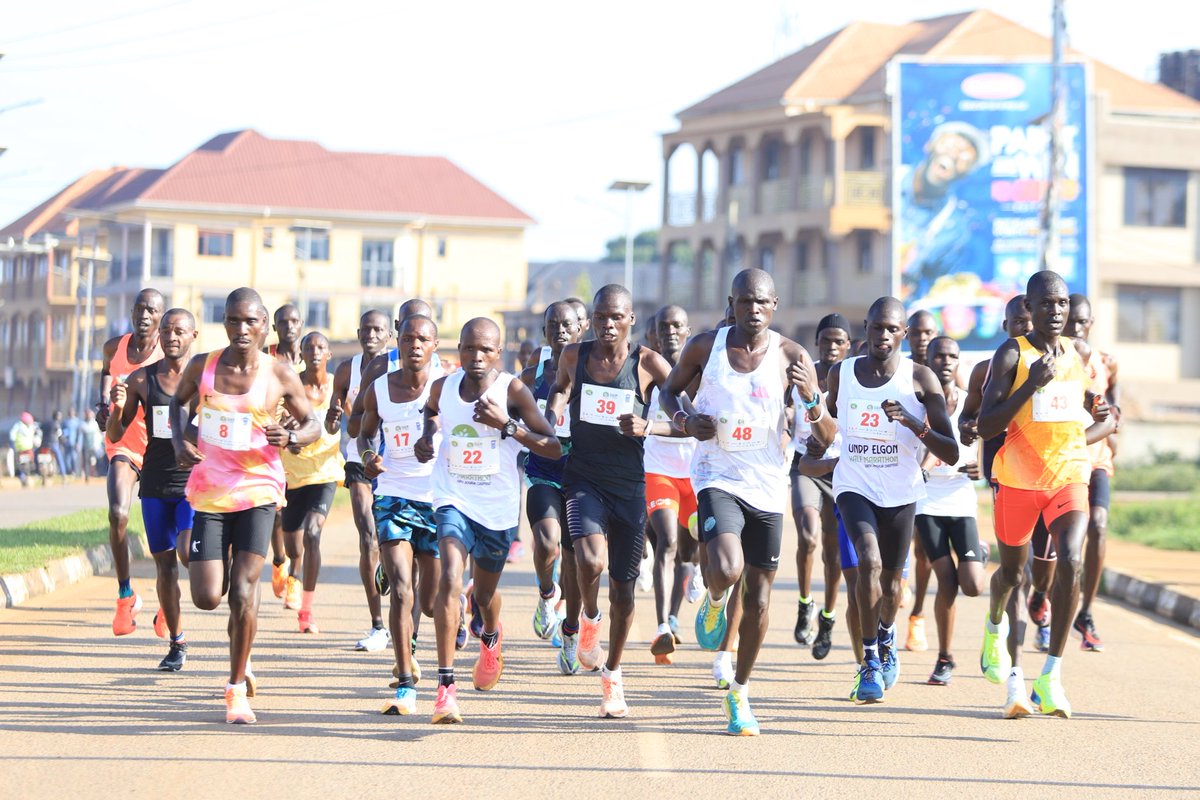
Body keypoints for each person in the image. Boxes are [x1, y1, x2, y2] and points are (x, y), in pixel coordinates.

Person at [661, 269, 833, 735]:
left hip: (769, 486)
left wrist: (810, 396)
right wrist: (684, 418)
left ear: (774, 305)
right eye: (745, 301)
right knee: (730, 567)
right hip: (717, 475)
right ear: (732, 303)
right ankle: (715, 598)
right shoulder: (705, 347)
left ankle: (740, 692)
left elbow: (826, 432)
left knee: (758, 599)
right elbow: (668, 391)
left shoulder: (792, 356)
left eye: (762, 302)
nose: (753, 309)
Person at [171, 288, 321, 724]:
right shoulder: (203, 365)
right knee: (206, 597)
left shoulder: (278, 373)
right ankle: (241, 629)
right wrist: (181, 439)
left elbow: (311, 422)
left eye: (250, 322)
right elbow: (176, 406)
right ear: (224, 322)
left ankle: (236, 687)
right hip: (211, 493)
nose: (241, 330)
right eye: (233, 321)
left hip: (258, 489)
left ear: (264, 327)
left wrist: (291, 438)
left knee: (242, 591)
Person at [977, 271, 1110, 720]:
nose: (1055, 311)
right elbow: (987, 424)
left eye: (1061, 304)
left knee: (1070, 559)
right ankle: (996, 627)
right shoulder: (1013, 353)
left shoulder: (1079, 352)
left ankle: (1049, 677)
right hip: (1016, 479)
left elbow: (1086, 404)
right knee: (1012, 576)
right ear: (1029, 309)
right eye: (1046, 304)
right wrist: (1031, 383)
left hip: (1068, 475)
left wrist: (1103, 412)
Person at [418, 318, 561, 724]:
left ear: (498, 353)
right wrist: (428, 438)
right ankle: (445, 687)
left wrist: (508, 425)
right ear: (458, 349)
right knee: (449, 575)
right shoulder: (442, 387)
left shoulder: (512, 390)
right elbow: (431, 414)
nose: (476, 357)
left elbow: (552, 447)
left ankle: (492, 634)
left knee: (483, 595)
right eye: (468, 349)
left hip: (496, 509)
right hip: (452, 497)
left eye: (485, 350)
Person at [545, 285, 674, 719]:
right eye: (600, 316)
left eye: (616, 317)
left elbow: (681, 411)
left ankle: (613, 678)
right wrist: (555, 411)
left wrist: (648, 425)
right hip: (583, 477)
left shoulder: (648, 363)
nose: (607, 324)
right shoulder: (573, 357)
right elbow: (560, 390)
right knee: (589, 559)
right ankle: (589, 621)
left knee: (624, 588)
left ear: (630, 320)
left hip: (629, 487)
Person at [825, 296, 959, 704]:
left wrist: (911, 421)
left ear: (903, 334)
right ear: (864, 327)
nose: (883, 335)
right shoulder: (841, 373)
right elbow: (831, 423)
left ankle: (885, 633)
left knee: (891, 588)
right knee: (868, 561)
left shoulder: (920, 379)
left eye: (891, 329)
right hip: (854, 484)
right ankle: (868, 662)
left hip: (901, 491)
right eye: (876, 327)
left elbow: (950, 452)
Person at [358, 315, 443, 715]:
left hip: (438, 499)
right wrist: (368, 457)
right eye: (407, 338)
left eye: (422, 339)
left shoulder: (448, 387)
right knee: (403, 591)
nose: (414, 344)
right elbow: (363, 430)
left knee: (428, 603)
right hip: (394, 494)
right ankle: (405, 682)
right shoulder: (380, 388)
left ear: (434, 345)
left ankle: (410, 643)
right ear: (398, 342)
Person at [107, 309, 198, 671]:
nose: (172, 336)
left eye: (180, 331)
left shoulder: (205, 379)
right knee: (165, 570)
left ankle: (220, 559)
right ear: (159, 336)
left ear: (193, 336)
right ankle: (177, 642)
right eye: (167, 331)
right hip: (157, 486)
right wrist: (116, 407)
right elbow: (116, 435)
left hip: (193, 486)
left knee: (188, 554)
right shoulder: (142, 380)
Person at [913, 336, 986, 685]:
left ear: (959, 362)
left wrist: (981, 470)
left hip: (961, 498)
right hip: (927, 501)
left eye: (952, 356)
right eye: (939, 355)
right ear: (927, 358)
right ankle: (946, 657)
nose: (945, 361)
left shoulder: (971, 399)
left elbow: (986, 439)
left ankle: (979, 553)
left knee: (972, 585)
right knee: (946, 581)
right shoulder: (916, 399)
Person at [519, 301, 584, 672]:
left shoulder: (595, 369)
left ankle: (571, 633)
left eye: (567, 325)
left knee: (576, 559)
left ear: (581, 328)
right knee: (546, 542)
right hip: (544, 468)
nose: (559, 330)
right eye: (552, 325)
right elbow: (509, 408)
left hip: (583, 475)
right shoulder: (533, 373)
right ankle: (547, 595)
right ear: (544, 330)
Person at [96, 288, 165, 635]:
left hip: (159, 449)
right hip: (123, 440)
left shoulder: (170, 353)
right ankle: (125, 595)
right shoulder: (115, 347)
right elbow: (105, 374)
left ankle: (168, 600)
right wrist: (101, 406)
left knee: (166, 534)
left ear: (161, 317)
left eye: (152, 310)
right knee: (118, 513)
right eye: (140, 308)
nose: (144, 315)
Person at [329, 310, 394, 651]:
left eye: (378, 329)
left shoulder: (397, 369)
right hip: (358, 459)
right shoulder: (346, 370)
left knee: (389, 540)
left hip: (394, 465)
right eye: (366, 329)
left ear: (389, 335)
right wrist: (336, 415)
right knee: (368, 534)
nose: (371, 334)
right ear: (358, 332)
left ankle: (400, 617)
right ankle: (378, 626)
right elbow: (332, 424)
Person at [792, 313, 851, 659]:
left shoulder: (852, 377)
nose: (831, 347)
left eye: (838, 341)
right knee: (808, 535)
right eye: (826, 340)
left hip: (840, 469)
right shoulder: (803, 374)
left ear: (847, 345)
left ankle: (827, 618)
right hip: (805, 465)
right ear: (817, 342)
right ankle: (804, 602)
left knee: (833, 553)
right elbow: (784, 409)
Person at [642, 305, 699, 665]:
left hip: (696, 472)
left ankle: (683, 609)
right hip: (658, 468)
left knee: (691, 552)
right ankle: (663, 625)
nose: (671, 331)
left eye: (678, 325)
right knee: (668, 541)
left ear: (687, 329)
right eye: (664, 326)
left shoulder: (702, 370)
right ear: (654, 333)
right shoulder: (646, 369)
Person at [279, 332, 345, 633]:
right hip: (293, 474)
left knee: (314, 534)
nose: (315, 352)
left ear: (329, 354)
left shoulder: (336, 386)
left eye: (321, 347)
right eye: (309, 348)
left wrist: (337, 419)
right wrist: (288, 437)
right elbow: (279, 430)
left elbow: (342, 425)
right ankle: (292, 569)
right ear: (301, 354)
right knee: (293, 544)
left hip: (326, 472)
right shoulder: (291, 386)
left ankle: (306, 610)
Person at [1066, 293, 1118, 652]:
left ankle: (1085, 612)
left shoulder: (1107, 363)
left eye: (1083, 322)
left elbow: (1113, 405)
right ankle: (1042, 596)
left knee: (1098, 525)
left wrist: (1115, 431)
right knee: (1061, 545)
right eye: (1071, 322)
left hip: (1095, 458)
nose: (1076, 328)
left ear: (1091, 324)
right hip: (1060, 462)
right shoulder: (1049, 360)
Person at [897, 122, 990, 301]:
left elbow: (936, 290)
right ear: (929, 145)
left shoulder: (953, 230)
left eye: (965, 158)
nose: (953, 155)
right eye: (949, 145)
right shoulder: (886, 181)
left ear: (966, 174)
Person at [267, 303, 305, 599]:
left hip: (301, 448)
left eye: (294, 321)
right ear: (274, 327)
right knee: (276, 513)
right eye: (283, 321)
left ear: (301, 325)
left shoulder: (312, 357)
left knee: (298, 519)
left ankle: (295, 576)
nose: (289, 326)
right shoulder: (266, 357)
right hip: (269, 445)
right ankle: (279, 559)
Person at [8, 412, 41, 487]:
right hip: (26, 448)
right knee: (26, 463)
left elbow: (12, 436)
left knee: (23, 463)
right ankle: (26, 475)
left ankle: (24, 476)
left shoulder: (19, 426)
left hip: (22, 449)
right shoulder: (28, 426)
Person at [62, 408, 81, 478]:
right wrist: (63, 440)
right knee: (67, 458)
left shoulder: (77, 422)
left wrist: (78, 442)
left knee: (73, 457)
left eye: (72, 412)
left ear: (74, 413)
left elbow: (78, 433)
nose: (70, 413)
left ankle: (74, 471)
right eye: (69, 412)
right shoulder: (65, 422)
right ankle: (68, 471)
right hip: (67, 443)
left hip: (74, 443)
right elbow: (62, 432)